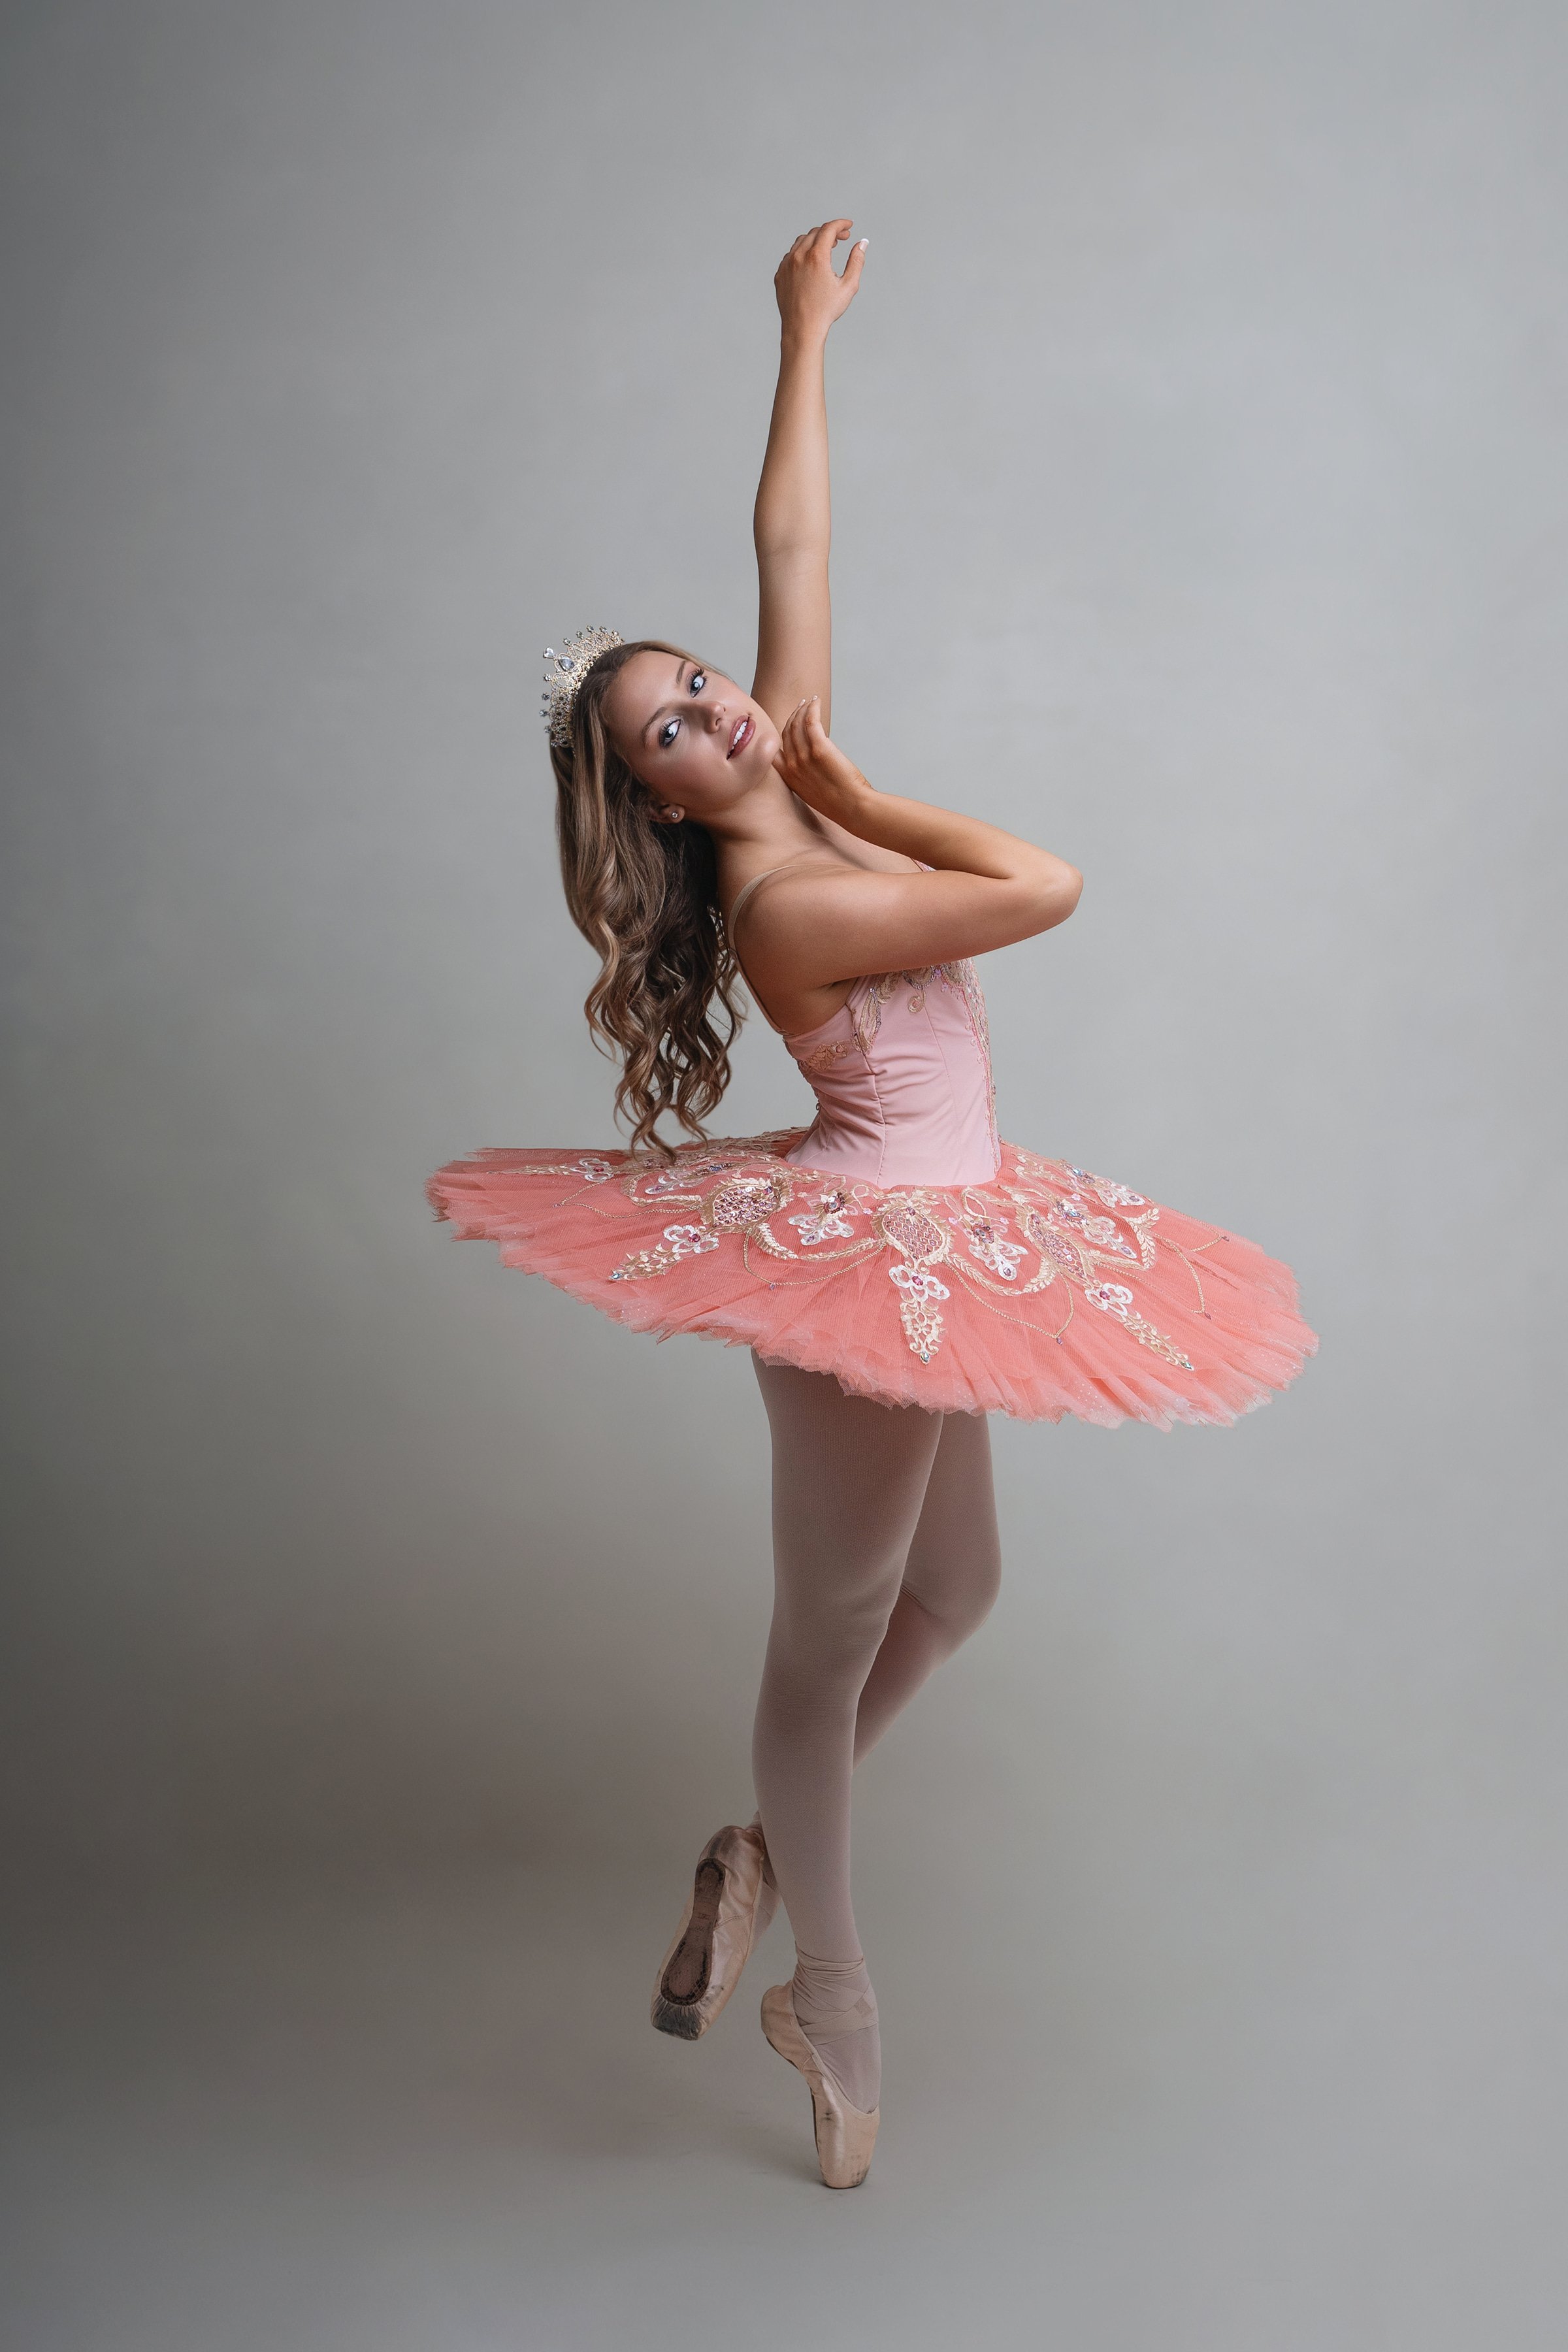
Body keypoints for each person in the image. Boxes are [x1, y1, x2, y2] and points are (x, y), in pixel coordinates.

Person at [428, 220, 1316, 2189]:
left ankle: (756, 1845)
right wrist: (867, 779)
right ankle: (827, 1992)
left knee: (962, 1593)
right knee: (827, 1644)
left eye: (707, 687)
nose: (725, 709)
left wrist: (799, 336)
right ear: (660, 799)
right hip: (868, 1260)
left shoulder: (781, 757)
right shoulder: (797, 887)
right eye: (676, 726)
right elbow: (1039, 882)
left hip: (961, 1223)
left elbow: (794, 554)